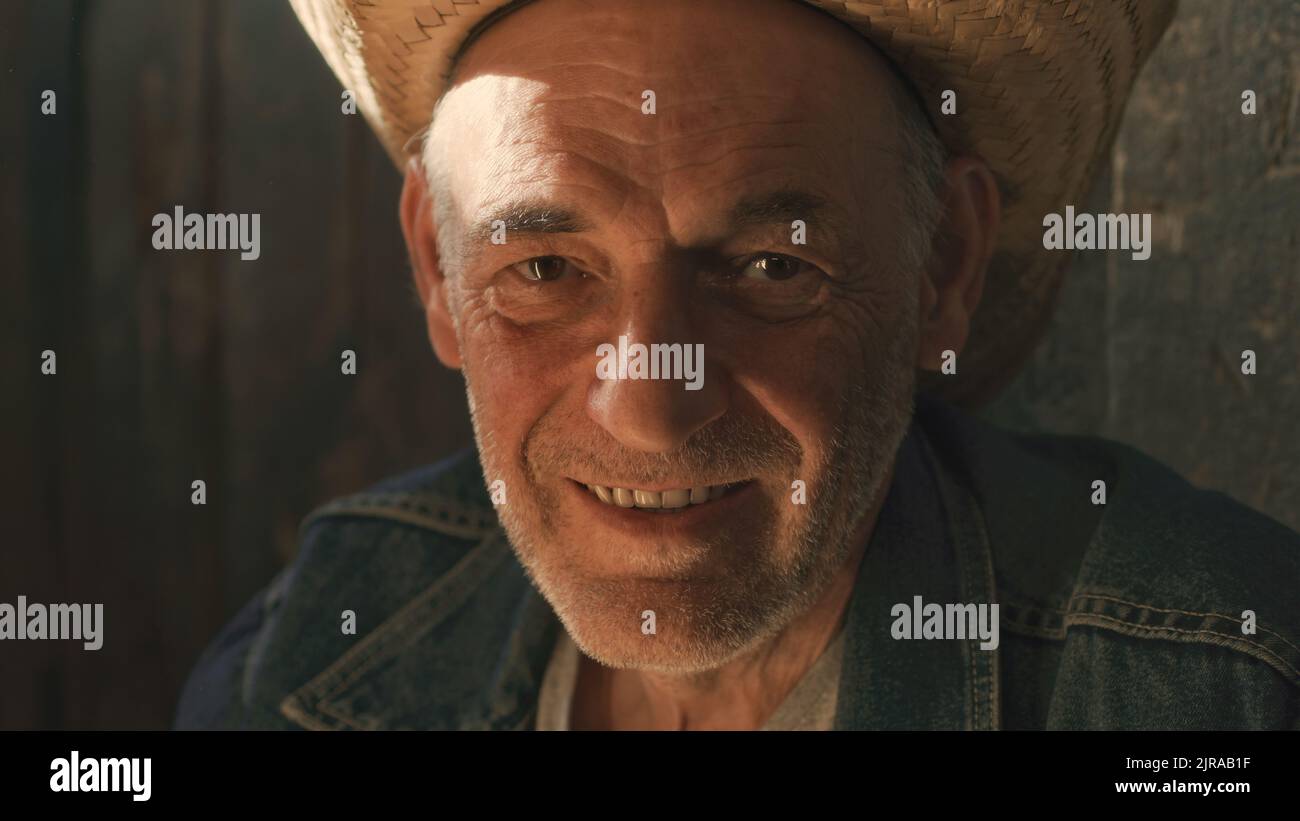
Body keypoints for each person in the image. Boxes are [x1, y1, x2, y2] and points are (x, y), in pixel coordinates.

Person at [176, 0, 1299, 730]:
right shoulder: (306, 654)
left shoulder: (1223, 691)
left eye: (769, 266)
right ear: (435, 265)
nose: (651, 412)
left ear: (941, 265)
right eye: (548, 269)